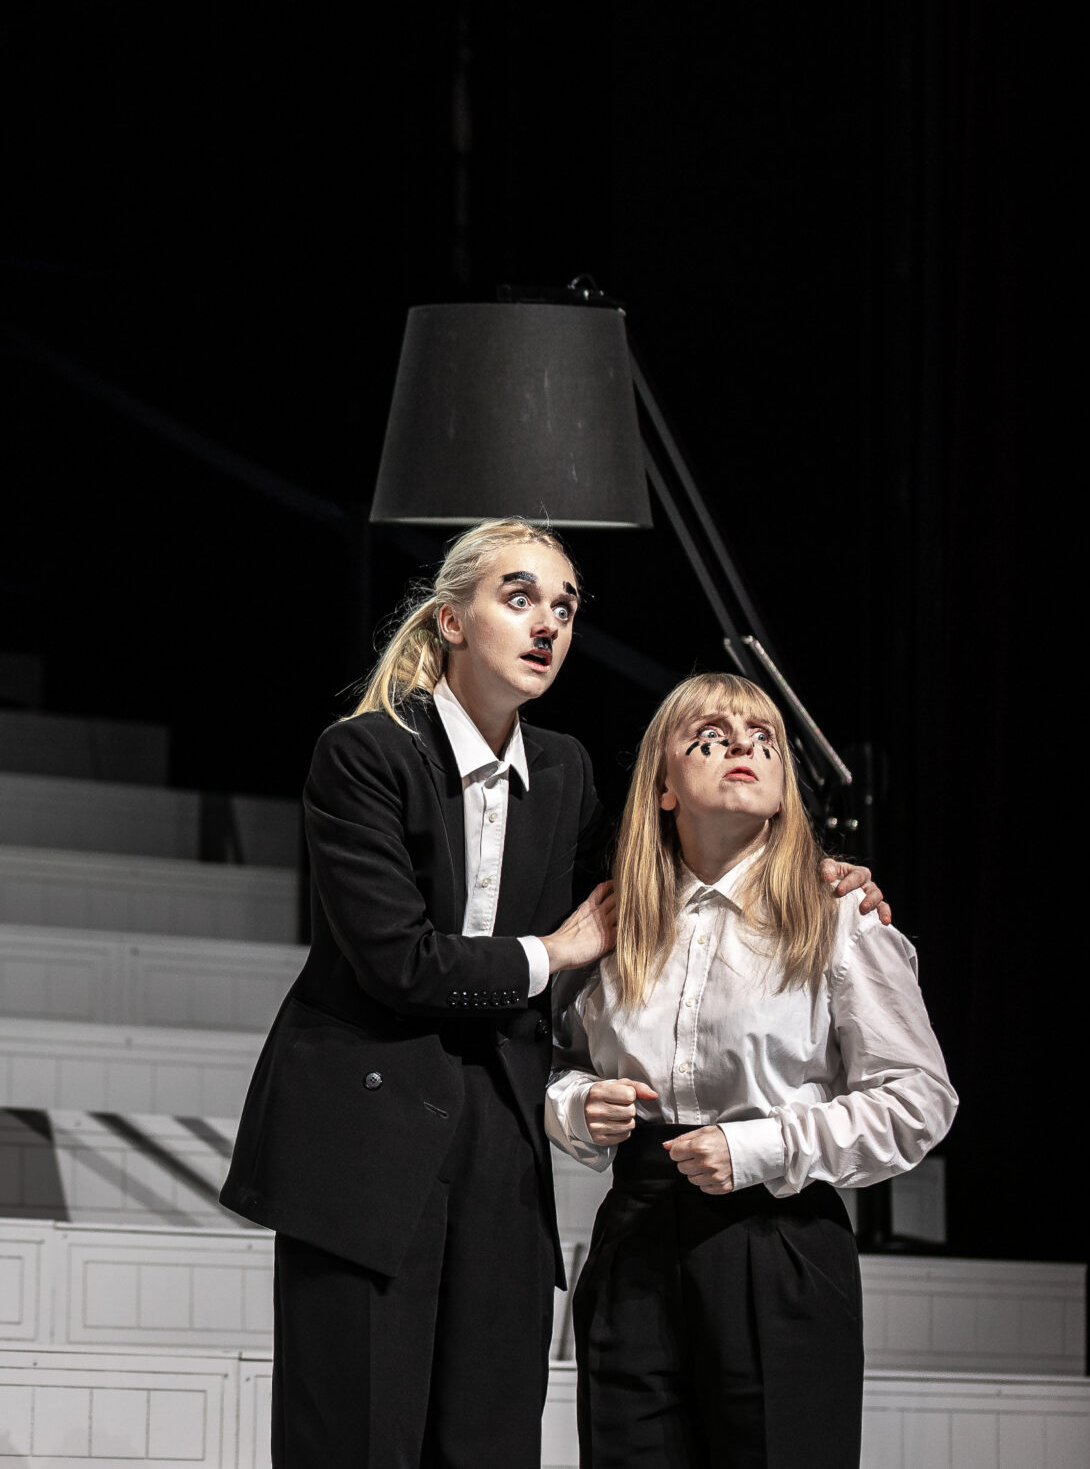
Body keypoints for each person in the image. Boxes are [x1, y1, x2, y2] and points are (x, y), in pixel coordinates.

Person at [220, 518, 889, 1469]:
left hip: (499, 1140)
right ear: (452, 620)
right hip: (365, 1137)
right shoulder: (366, 753)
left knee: (491, 1440)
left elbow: (664, 875)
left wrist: (813, 870)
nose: (548, 624)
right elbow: (399, 961)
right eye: (520, 597)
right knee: (355, 1439)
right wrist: (552, 951)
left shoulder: (566, 769)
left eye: (565, 609)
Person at [549, 671, 957, 1469]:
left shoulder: (836, 914)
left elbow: (920, 1098)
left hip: (779, 1235)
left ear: (782, 787)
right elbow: (557, 1063)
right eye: (710, 734)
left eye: (764, 737)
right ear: (664, 786)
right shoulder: (613, 920)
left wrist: (759, 1147)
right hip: (636, 1234)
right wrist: (576, 1106)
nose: (742, 743)